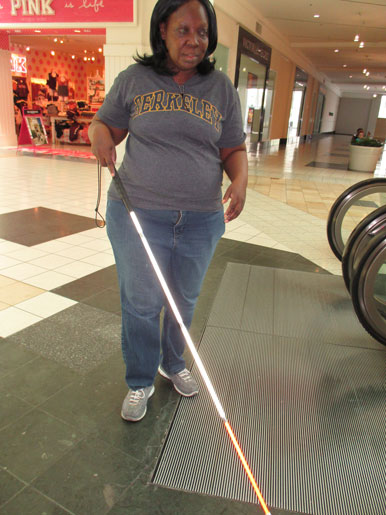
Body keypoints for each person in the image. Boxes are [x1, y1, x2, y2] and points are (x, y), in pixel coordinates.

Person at [89, 0, 247, 423]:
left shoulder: (221, 90)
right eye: (183, 30)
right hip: (139, 213)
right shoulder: (135, 80)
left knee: (183, 301)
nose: (194, 41)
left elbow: (232, 148)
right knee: (141, 303)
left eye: (202, 31)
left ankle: (172, 362)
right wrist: (99, 136)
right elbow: (104, 124)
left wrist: (241, 178)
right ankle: (140, 380)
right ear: (162, 30)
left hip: (200, 219)